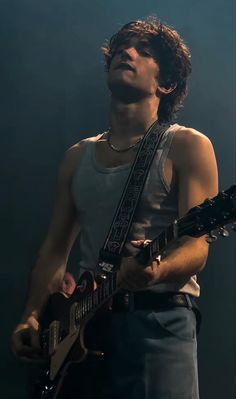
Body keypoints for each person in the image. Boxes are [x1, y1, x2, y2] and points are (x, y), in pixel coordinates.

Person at [12, 17, 218, 398]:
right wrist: (32, 315)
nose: (128, 52)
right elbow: (55, 252)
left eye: (145, 50)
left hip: (158, 323)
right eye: (124, 46)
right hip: (83, 330)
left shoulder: (188, 146)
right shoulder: (77, 156)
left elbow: (196, 246)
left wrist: (158, 271)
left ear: (166, 83)